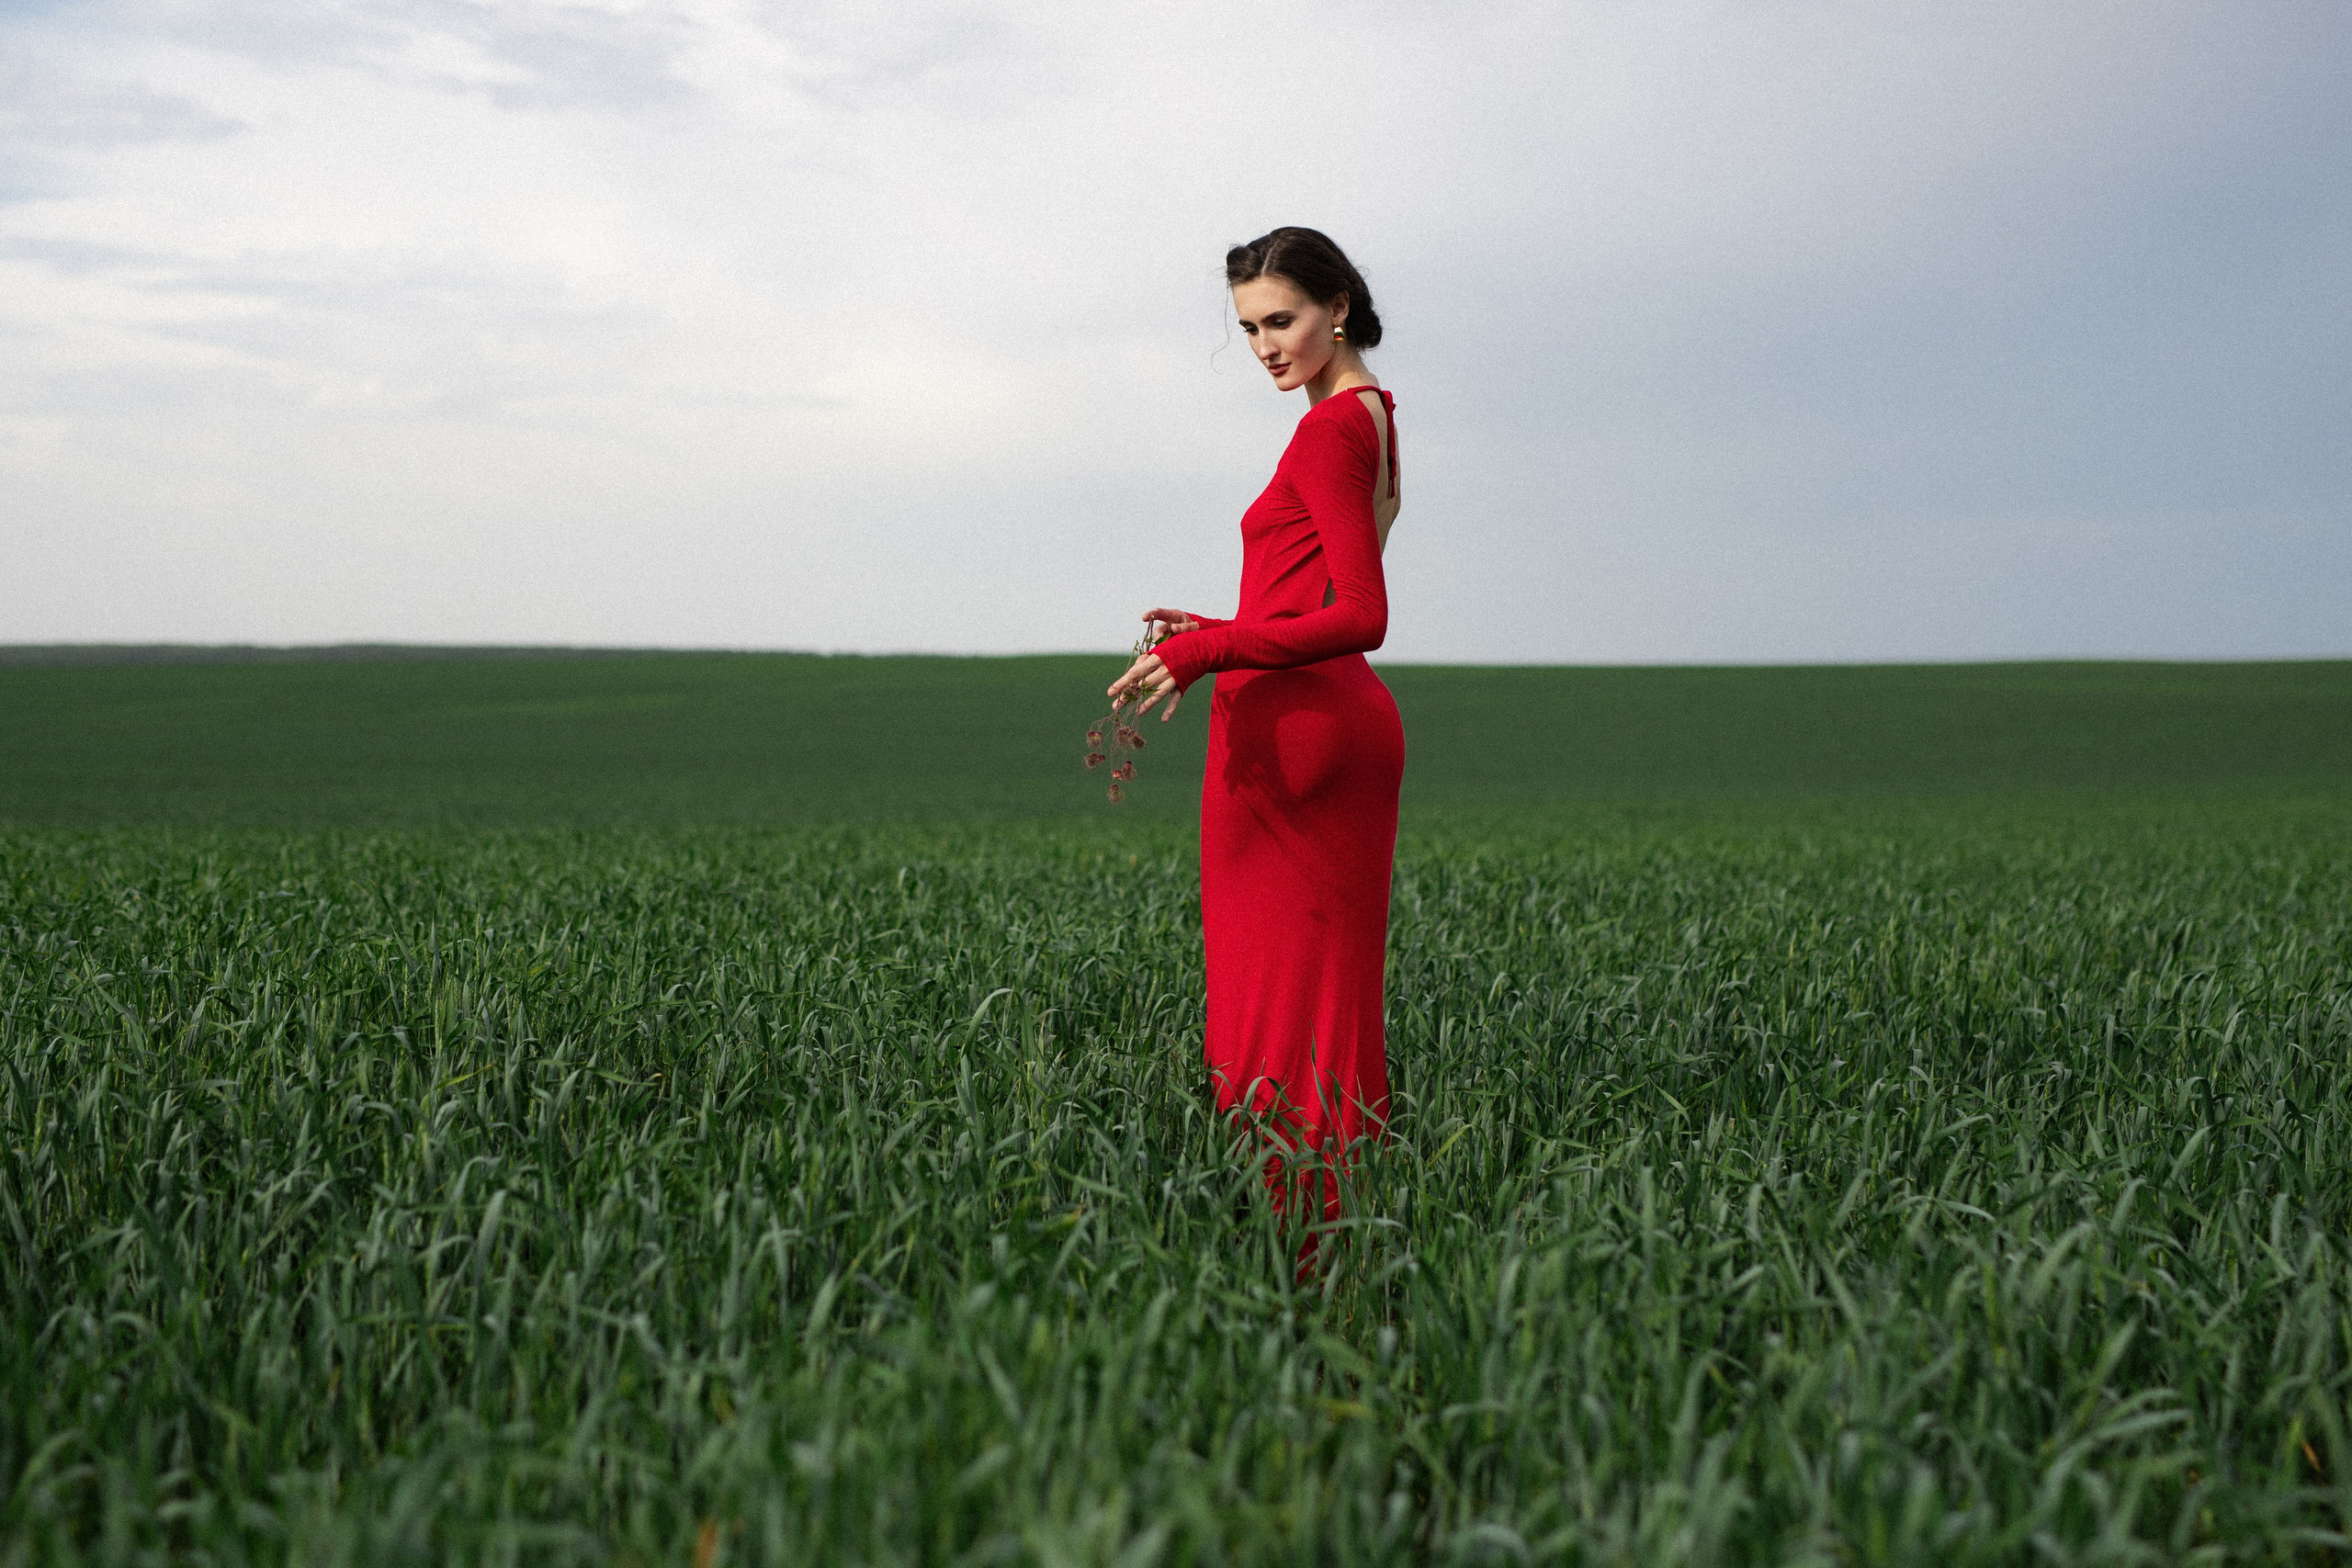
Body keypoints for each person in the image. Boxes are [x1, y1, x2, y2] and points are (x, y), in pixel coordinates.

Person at [1107, 226, 1405, 1220]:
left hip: (1301, 736)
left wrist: (1208, 653)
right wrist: (1219, 628)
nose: (1266, 345)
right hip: (1325, 722)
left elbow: (1361, 613)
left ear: (1339, 309)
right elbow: (1306, 600)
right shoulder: (1371, 412)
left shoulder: (1331, 430)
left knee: (1275, 1008)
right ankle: (1340, 1239)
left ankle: (1295, 1247)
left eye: (1282, 320)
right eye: (1248, 329)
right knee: (1319, 1004)